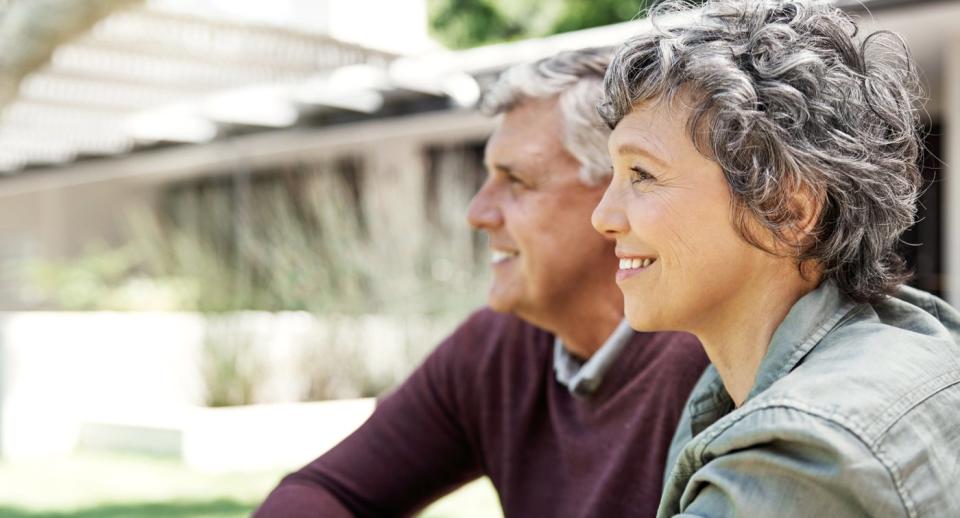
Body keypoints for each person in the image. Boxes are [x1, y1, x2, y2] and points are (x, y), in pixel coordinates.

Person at [254, 48, 708, 518]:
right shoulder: (495, 348)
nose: (477, 213)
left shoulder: (712, 354)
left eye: (516, 181)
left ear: (616, 192)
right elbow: (326, 491)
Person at [591, 0, 960, 516]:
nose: (603, 217)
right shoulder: (921, 336)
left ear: (788, 207)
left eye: (643, 175)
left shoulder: (801, 456)